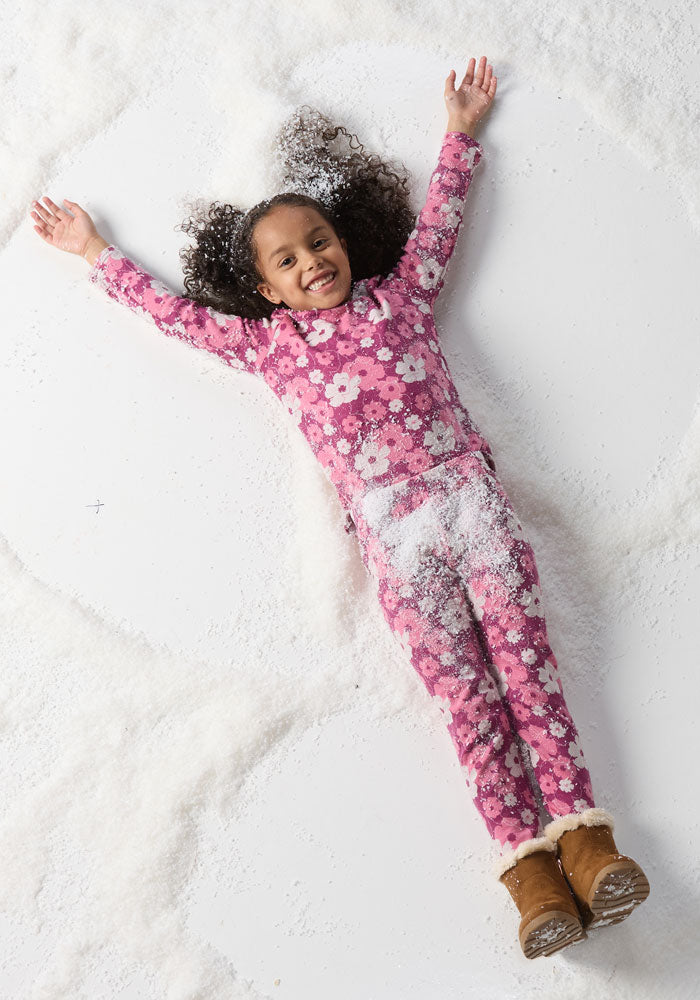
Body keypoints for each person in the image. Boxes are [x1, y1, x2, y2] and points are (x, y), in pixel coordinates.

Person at [30, 56, 649, 959]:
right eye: (287, 260)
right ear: (267, 289)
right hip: (397, 538)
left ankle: (588, 845)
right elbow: (175, 316)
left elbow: (440, 225)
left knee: (527, 670)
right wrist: (94, 252)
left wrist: (460, 135)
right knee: (468, 701)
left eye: (318, 242)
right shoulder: (270, 350)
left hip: (468, 500)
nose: (311, 262)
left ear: (345, 242)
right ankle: (531, 874)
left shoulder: (401, 296)